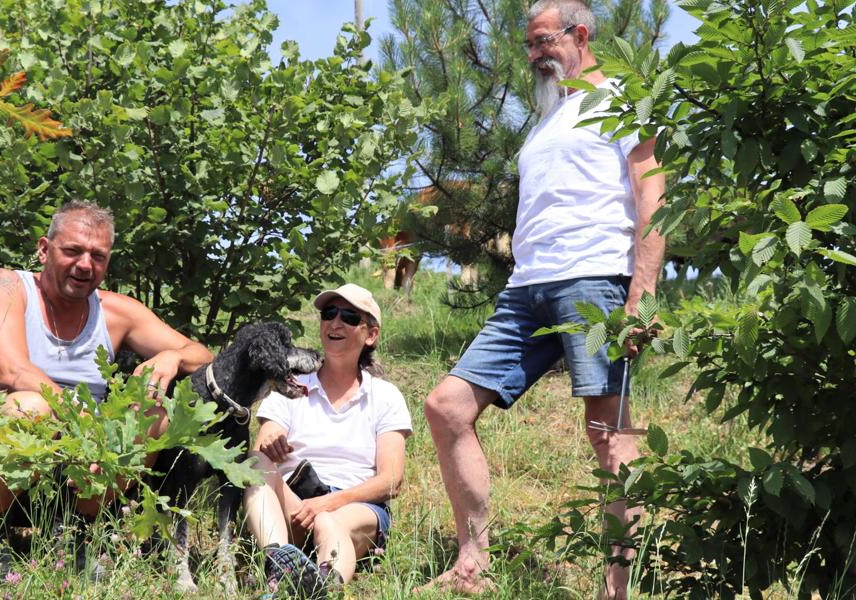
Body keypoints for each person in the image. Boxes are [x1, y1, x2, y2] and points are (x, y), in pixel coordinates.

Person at [421, 1, 666, 598]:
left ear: (579, 35)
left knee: (608, 433)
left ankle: (618, 587)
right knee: (447, 407)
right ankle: (472, 562)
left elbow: (651, 194)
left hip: (595, 284)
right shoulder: (548, 118)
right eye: (529, 45)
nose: (533, 55)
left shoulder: (622, 99)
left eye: (542, 42)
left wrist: (644, 291)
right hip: (527, 288)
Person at [0, 200, 212, 527]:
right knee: (30, 407)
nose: (84, 264)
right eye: (72, 251)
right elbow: (11, 370)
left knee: (155, 415)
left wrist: (174, 356)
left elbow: (203, 355)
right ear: (44, 250)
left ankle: (79, 533)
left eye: (97, 256)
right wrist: (87, 424)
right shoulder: (3, 287)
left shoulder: (116, 312)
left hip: (81, 467)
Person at [243, 284, 412, 598]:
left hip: (357, 506)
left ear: (370, 334)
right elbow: (263, 446)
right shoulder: (290, 387)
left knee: (329, 522)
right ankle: (280, 562)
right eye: (329, 313)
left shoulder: (385, 396)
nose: (335, 322)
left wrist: (328, 503)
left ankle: (324, 587)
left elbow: (391, 481)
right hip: (295, 503)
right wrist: (272, 443)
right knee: (255, 463)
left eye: (349, 317)